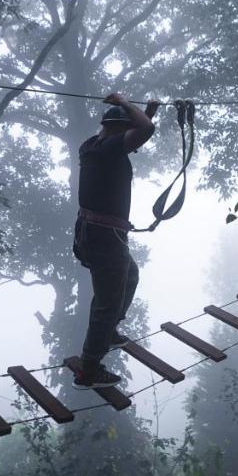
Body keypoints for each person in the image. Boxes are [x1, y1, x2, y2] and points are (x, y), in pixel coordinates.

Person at [70, 92, 160, 389]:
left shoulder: (91, 146)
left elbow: (135, 132)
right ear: (121, 131)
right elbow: (144, 130)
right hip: (106, 240)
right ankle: (89, 370)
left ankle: (108, 332)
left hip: (94, 235)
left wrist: (146, 112)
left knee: (129, 277)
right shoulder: (109, 149)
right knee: (107, 304)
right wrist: (123, 101)